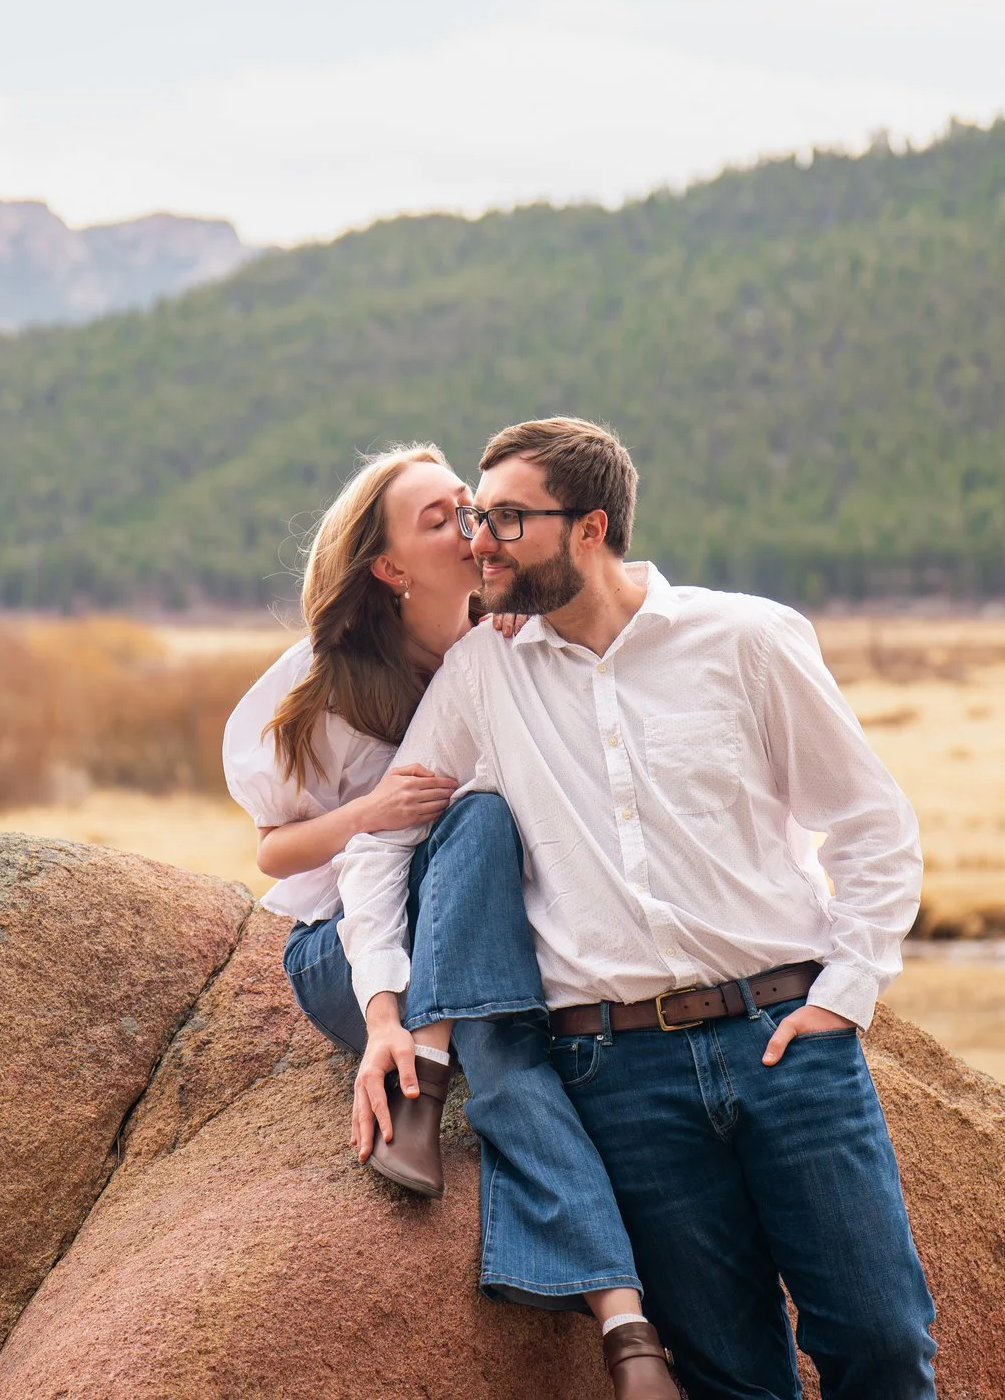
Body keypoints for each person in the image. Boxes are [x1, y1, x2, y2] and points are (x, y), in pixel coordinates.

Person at [335, 419, 938, 1400]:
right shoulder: (483, 672)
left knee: (879, 1338)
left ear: (590, 527)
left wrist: (846, 992)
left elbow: (871, 822)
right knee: (728, 1374)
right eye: (477, 515)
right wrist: (384, 1005)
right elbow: (383, 839)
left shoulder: (744, 637)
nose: (478, 540)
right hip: (617, 1071)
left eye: (506, 518)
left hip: (784, 1040)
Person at [220, 444, 682, 1400]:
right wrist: (368, 818)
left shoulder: (515, 636)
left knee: (487, 872)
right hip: (346, 947)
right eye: (440, 519)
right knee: (500, 992)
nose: (472, 529)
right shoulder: (323, 682)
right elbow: (272, 850)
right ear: (387, 567)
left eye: (472, 508)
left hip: (479, 937)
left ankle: (629, 1336)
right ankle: (624, 1322)